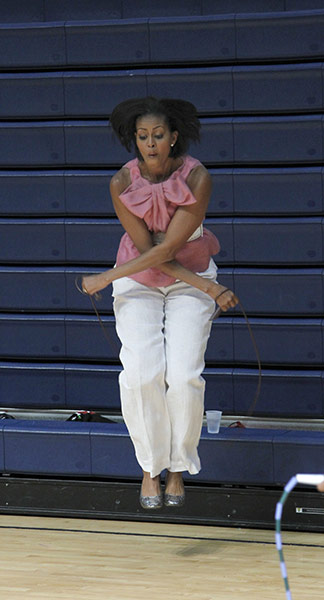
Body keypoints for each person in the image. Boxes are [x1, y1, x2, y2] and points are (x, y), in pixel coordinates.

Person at [82, 97, 238, 509]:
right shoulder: (121, 182)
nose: (149, 143)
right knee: (139, 374)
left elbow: (168, 249)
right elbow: (147, 253)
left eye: (157, 135)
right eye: (142, 136)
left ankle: (177, 469)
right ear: (135, 140)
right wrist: (214, 292)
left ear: (173, 138)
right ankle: (151, 468)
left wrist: (103, 277)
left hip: (189, 276)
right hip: (139, 279)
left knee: (184, 375)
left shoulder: (198, 177)